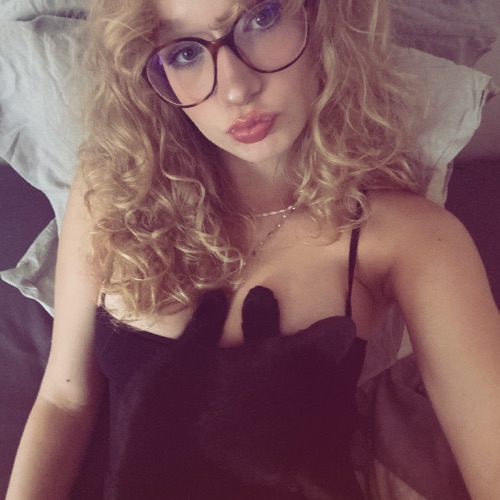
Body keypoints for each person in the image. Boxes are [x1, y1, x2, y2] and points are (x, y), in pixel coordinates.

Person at [6, 0, 500, 498]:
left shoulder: (410, 238)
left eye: (261, 18)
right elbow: (64, 402)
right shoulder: (115, 190)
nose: (236, 89)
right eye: (183, 53)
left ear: (320, 17)